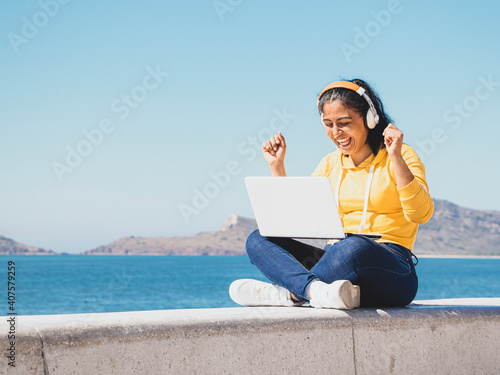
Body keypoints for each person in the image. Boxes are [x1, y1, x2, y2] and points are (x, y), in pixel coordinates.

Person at [229, 78, 434, 309]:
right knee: (258, 238)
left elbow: (421, 214)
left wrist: (395, 157)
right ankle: (317, 291)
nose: (336, 132)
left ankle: (291, 294)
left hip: (391, 269)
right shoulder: (329, 164)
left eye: (344, 123)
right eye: (328, 124)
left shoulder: (402, 155)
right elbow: (293, 223)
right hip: (335, 269)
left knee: (355, 246)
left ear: (370, 118)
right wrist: (277, 167)